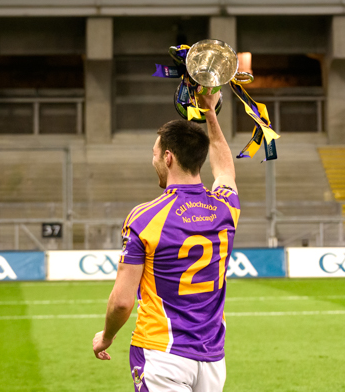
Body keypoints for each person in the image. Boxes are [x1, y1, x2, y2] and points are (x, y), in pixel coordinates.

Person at [92, 91, 239, 392]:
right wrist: (210, 113)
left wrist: (106, 337)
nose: (154, 159)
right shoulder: (226, 208)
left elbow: (122, 301)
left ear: (168, 158)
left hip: (162, 354)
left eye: (155, 153)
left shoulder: (144, 218)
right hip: (212, 359)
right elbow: (224, 168)